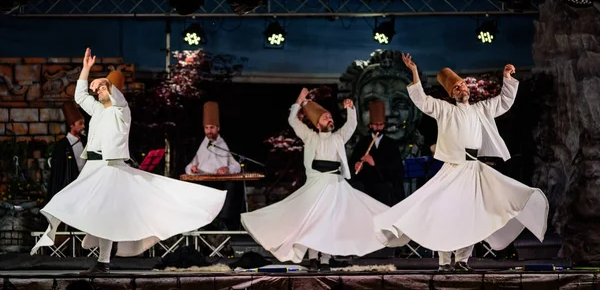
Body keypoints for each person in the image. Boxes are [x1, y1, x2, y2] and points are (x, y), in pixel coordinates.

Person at [31, 48, 227, 274]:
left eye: (106, 88)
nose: (101, 91)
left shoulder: (122, 111)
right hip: (93, 169)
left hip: (109, 168)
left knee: (104, 214)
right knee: (77, 205)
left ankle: (102, 261)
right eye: (101, 89)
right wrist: (85, 70)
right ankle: (98, 259)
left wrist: (104, 80)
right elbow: (80, 97)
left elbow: (118, 98)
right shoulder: (97, 111)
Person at [374, 53, 549, 272]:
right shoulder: (445, 110)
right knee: (445, 215)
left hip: (474, 168)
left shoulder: (480, 110)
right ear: (451, 94)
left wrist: (507, 78)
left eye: (463, 85)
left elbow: (504, 102)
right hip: (453, 168)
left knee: (471, 215)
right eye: (456, 88)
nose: (461, 88)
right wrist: (415, 72)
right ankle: (445, 262)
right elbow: (422, 101)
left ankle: (462, 261)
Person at [241, 88, 391, 272]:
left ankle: (325, 260)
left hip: (334, 185)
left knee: (329, 222)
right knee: (313, 222)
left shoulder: (338, 138)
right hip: (315, 185)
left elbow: (351, 126)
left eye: (330, 116)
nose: (329, 118)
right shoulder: (310, 137)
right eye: (325, 117)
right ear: (318, 123)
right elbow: (292, 121)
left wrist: (350, 109)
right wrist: (299, 101)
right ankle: (313, 259)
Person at [184, 101, 242, 229]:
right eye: (206, 128)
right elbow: (188, 167)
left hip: (222, 182)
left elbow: (237, 166)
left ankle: (223, 221)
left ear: (218, 128)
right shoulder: (201, 145)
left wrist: (227, 168)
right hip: (205, 181)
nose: (209, 131)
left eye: (212, 128)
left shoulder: (225, 144)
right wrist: (192, 169)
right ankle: (203, 223)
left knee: (231, 187)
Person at [350, 100, 405, 206]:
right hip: (366, 186)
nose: (378, 128)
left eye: (381, 124)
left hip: (385, 187)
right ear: (370, 125)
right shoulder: (363, 143)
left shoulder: (391, 144)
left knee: (387, 189)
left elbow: (397, 171)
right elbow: (352, 161)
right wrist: (355, 165)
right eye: (375, 125)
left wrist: (375, 163)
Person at [46, 102, 87, 202]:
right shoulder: (62, 145)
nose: (83, 126)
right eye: (80, 124)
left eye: (83, 123)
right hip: (69, 187)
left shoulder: (84, 142)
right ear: (71, 125)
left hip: (84, 184)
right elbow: (58, 174)